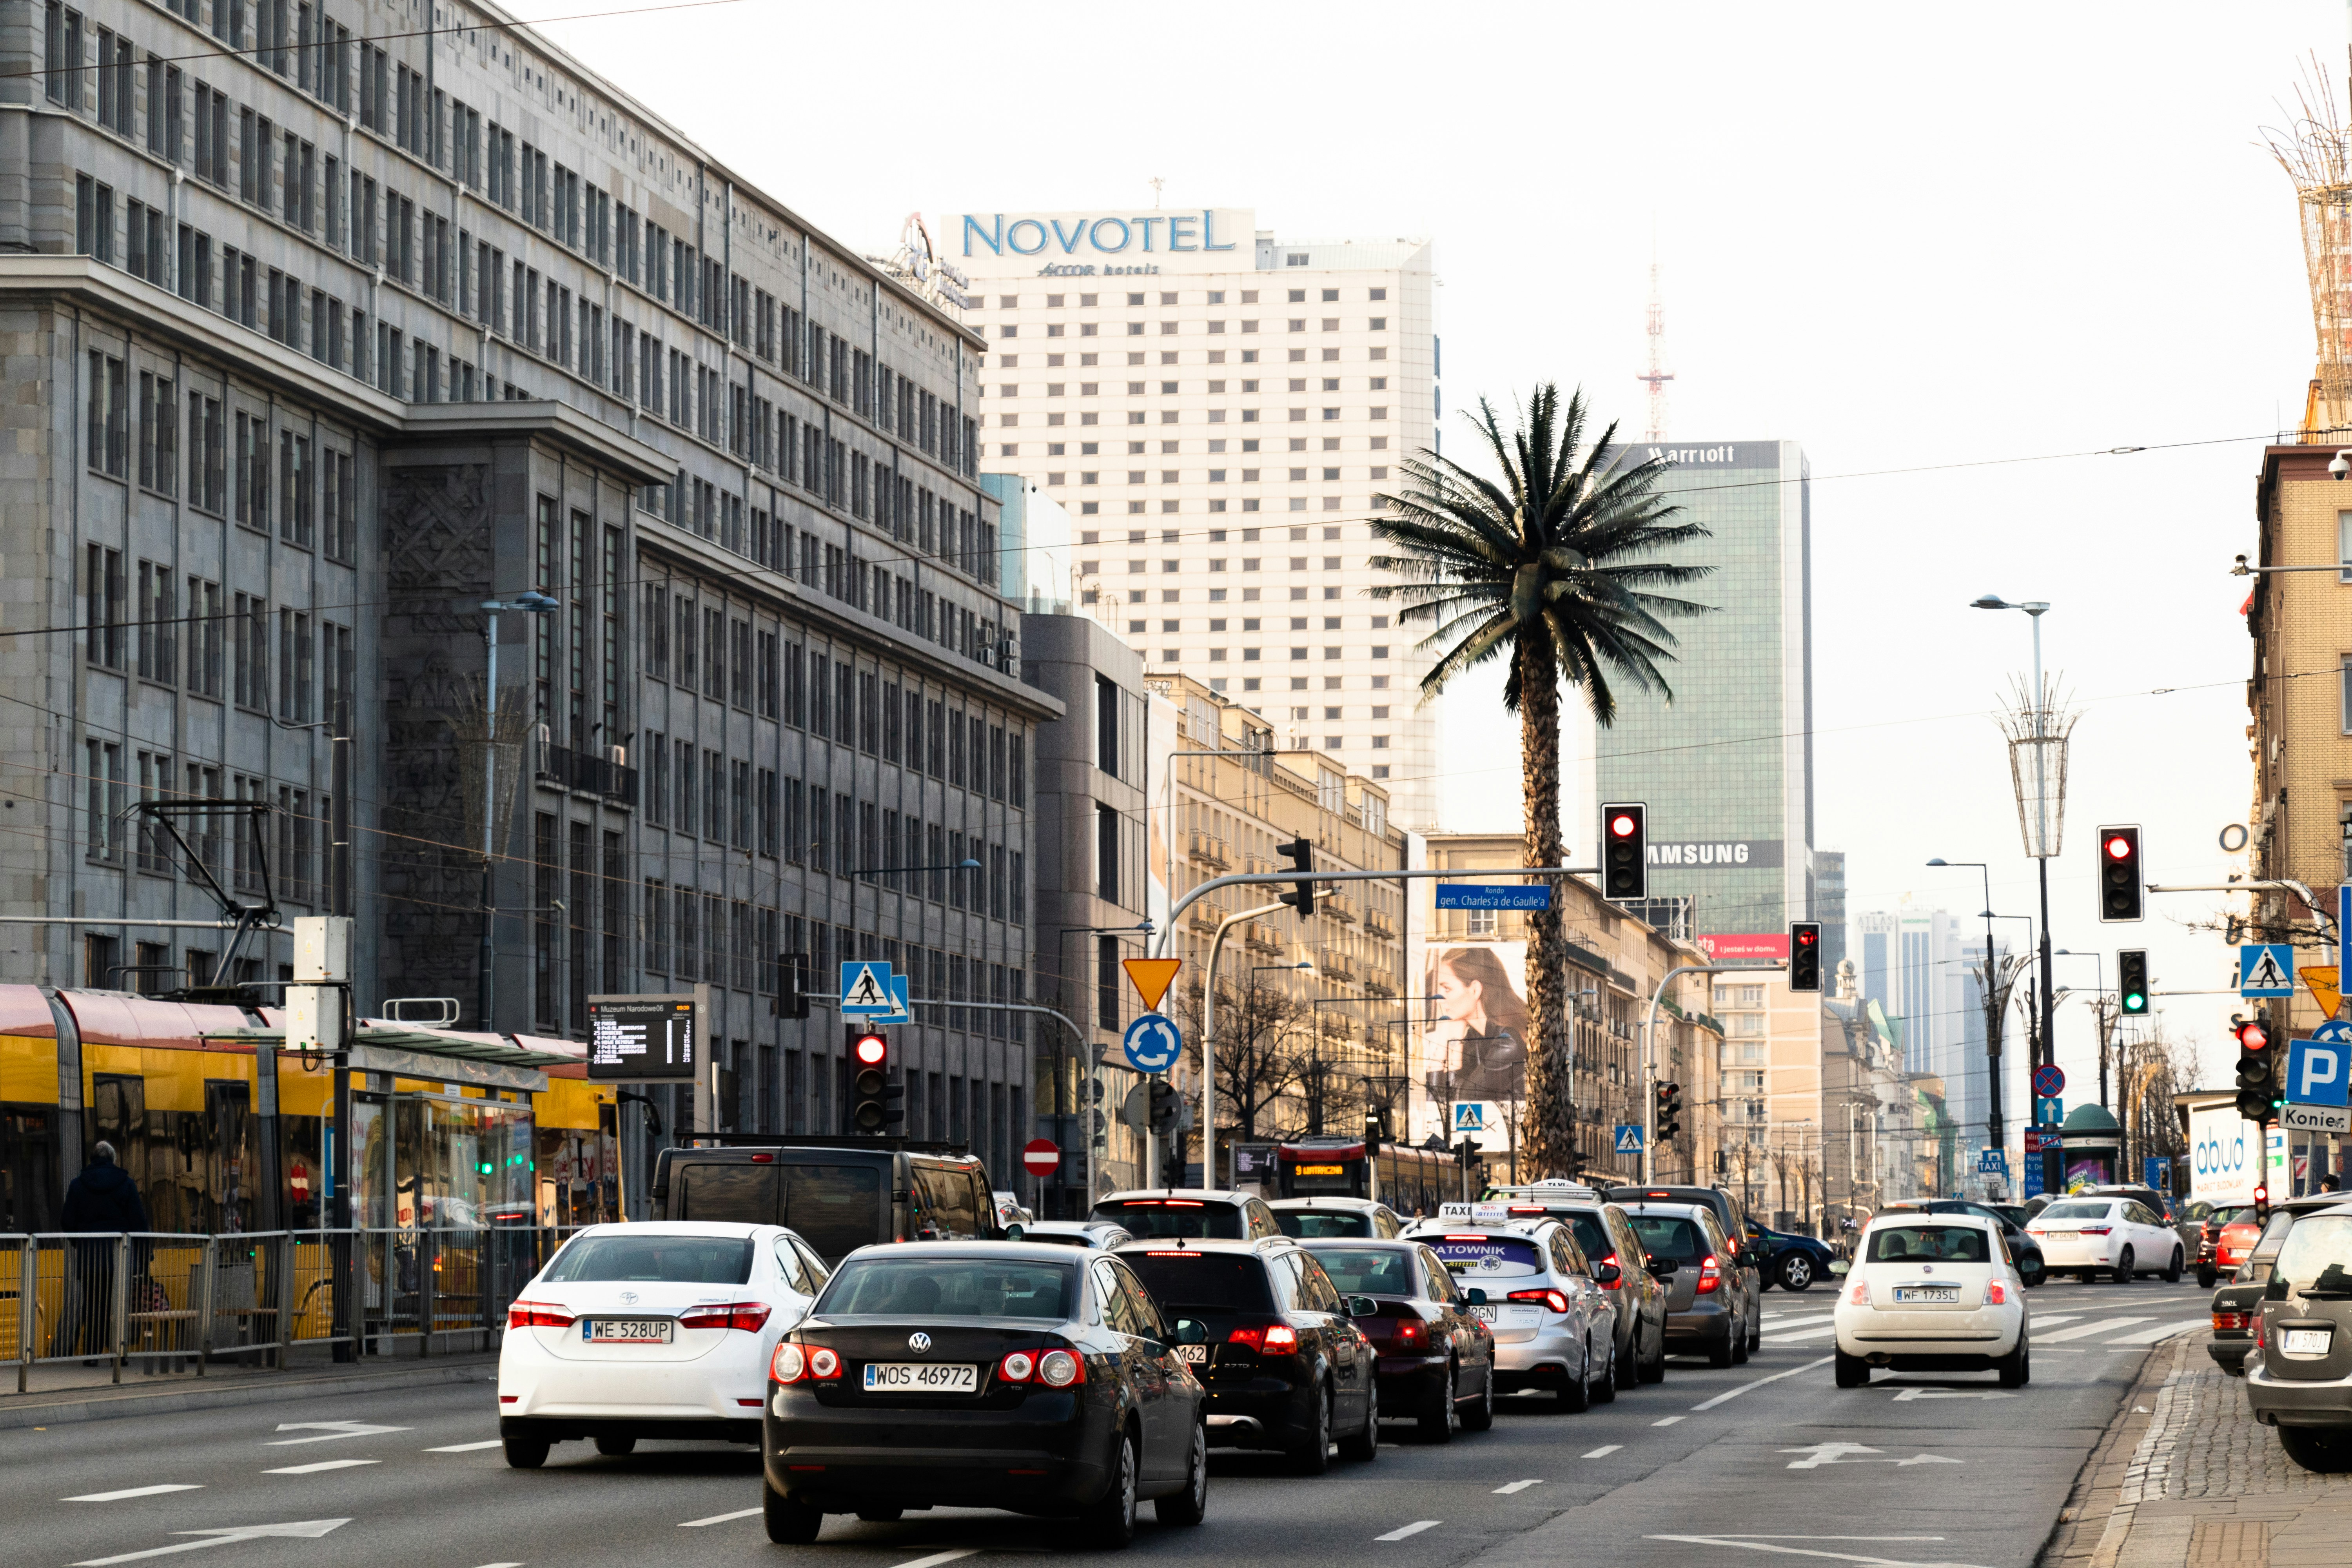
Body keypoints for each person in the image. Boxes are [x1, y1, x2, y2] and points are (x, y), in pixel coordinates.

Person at [57, 1142, 149, 1361]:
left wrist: (80, 1243)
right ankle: (120, 1354)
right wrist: (145, 1255)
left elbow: (67, 1221)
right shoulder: (126, 1184)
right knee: (119, 1305)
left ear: (91, 1159)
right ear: (113, 1159)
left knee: (94, 1305)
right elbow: (139, 1222)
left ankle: (91, 1354)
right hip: (121, 1257)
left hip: (90, 1258)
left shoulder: (78, 1185)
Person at [1427, 947, 1534, 1102]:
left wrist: (1451, 1034)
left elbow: (1462, 1101)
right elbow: (1434, 1102)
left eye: (1447, 989)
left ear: (1475, 990)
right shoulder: (1476, 1039)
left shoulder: (1508, 1044)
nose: (1439, 999)